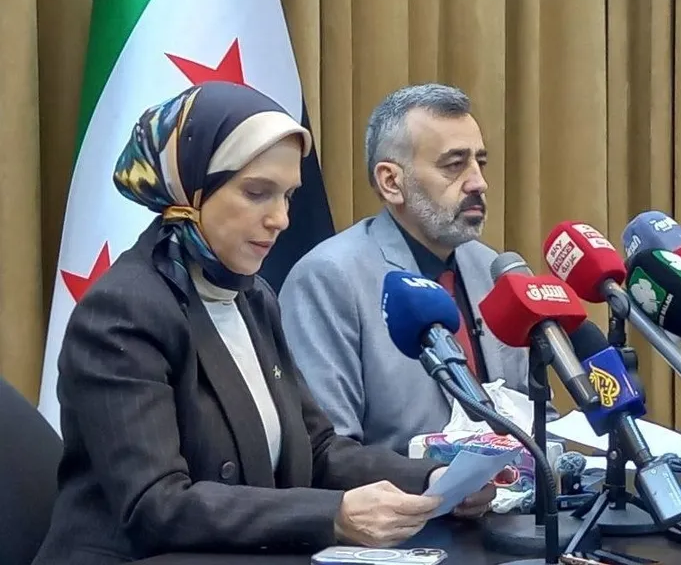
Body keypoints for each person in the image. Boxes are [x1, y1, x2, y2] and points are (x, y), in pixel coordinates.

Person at [31, 81, 494, 565]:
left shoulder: (254, 297)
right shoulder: (123, 310)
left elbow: (317, 450)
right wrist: (332, 515)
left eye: (288, 196)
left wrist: (432, 479)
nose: (281, 219)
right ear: (191, 189)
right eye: (257, 193)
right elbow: (156, 505)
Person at [280, 83, 552, 456]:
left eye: (480, 162)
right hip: (403, 493)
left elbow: (534, 416)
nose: (479, 182)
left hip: (515, 491)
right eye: (454, 165)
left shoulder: (491, 267)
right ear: (392, 182)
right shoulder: (329, 278)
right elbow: (329, 451)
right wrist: (434, 478)